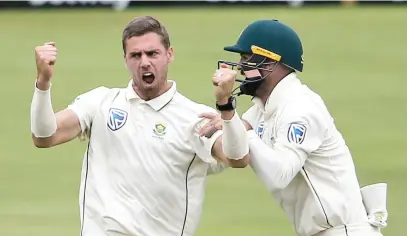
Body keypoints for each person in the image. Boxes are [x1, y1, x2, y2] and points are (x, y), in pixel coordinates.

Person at [30, 16, 251, 236]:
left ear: (169, 55)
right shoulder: (101, 102)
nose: (144, 62)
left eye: (152, 53)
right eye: (135, 55)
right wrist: (43, 82)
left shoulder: (194, 117)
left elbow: (237, 158)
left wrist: (226, 107)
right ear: (125, 59)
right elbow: (44, 137)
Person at [200, 19, 388, 236]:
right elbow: (237, 153)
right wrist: (227, 112)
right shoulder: (262, 108)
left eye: (246, 58)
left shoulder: (300, 108)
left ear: (270, 63)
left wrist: (241, 128)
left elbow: (279, 175)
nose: (240, 68)